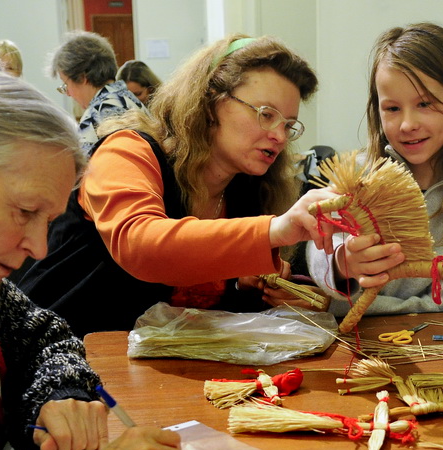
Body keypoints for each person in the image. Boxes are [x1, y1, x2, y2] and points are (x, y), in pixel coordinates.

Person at [0, 67, 182, 450]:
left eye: (47, 220)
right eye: (25, 211)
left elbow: (44, 336)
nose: (39, 247)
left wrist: (58, 394)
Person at [18, 34, 336, 336]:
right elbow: (142, 247)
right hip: (56, 352)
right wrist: (274, 230)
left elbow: (185, 301)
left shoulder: (247, 188)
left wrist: (244, 287)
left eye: (288, 125)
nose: (279, 136)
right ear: (210, 102)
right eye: (266, 114)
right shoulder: (127, 150)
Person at [307, 22, 443, 317]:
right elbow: (319, 258)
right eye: (393, 109)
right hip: (345, 340)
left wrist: (363, 307)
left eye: (424, 104)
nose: (408, 124)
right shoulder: (354, 180)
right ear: (377, 110)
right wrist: (340, 265)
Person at [50, 31, 143, 156]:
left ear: (82, 77)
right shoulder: (129, 99)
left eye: (66, 84)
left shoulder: (96, 117)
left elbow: (83, 166)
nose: (68, 93)